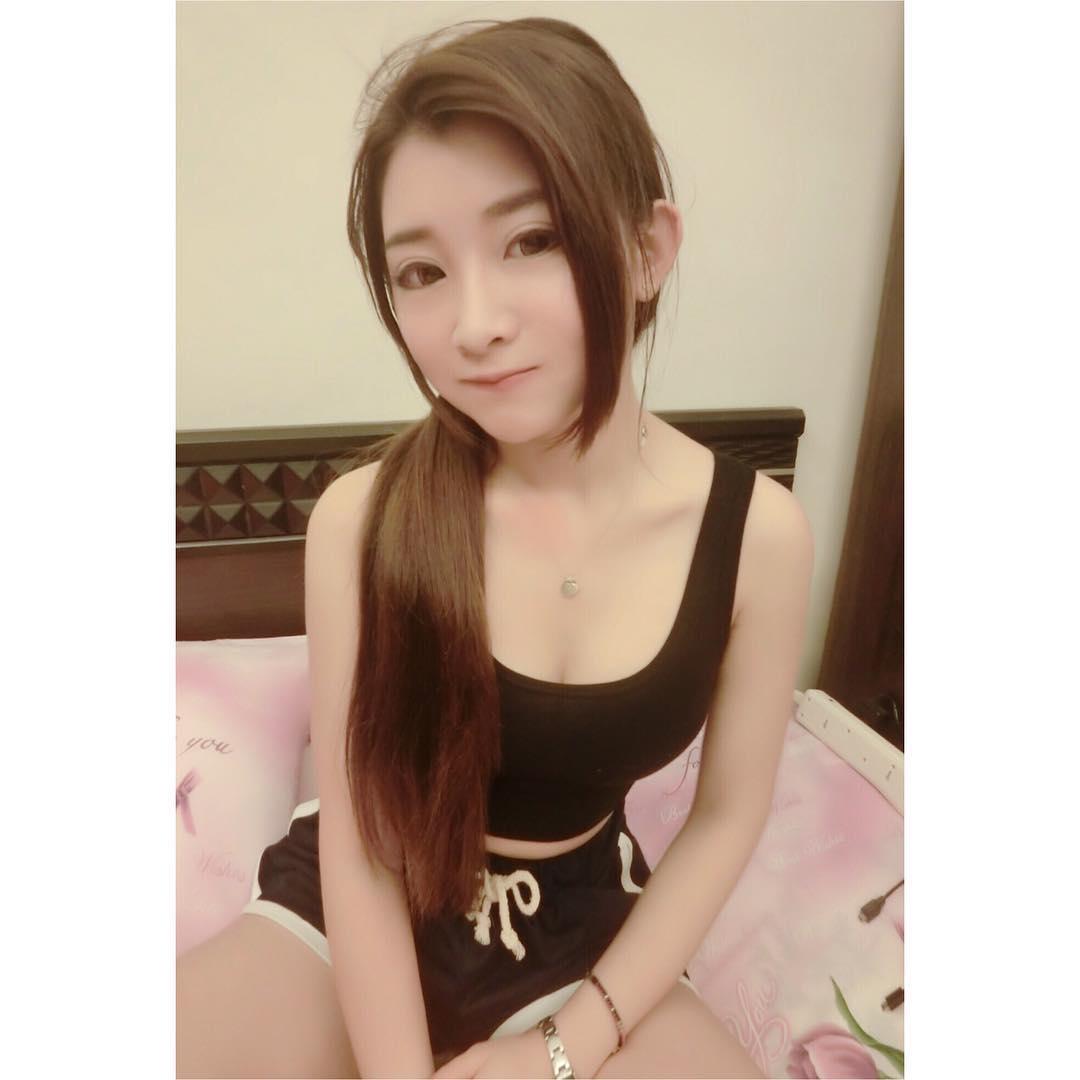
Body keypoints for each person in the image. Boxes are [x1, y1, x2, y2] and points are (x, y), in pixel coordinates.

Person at [176, 16, 813, 1080]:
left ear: (647, 248)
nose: (473, 324)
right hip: (356, 903)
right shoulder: (362, 523)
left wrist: (568, 1045)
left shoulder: (757, 539)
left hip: (578, 930)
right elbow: (362, 843)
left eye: (532, 240)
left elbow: (726, 815)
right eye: (421, 271)